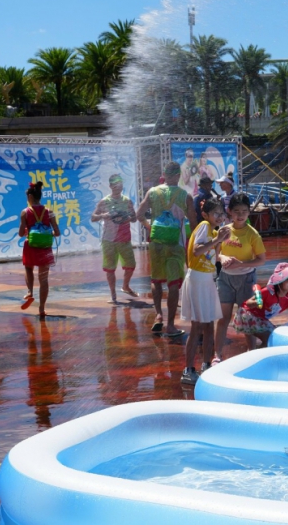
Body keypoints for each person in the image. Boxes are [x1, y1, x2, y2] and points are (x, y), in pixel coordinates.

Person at [135, 161, 198, 337]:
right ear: (177, 175)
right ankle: (170, 325)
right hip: (175, 244)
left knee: (156, 280)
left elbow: (138, 215)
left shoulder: (152, 192)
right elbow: (193, 222)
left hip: (156, 243)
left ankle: (158, 316)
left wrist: (150, 227)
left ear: (164, 175)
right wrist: (195, 244)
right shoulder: (185, 196)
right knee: (173, 284)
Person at [180, 198, 230, 385]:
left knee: (209, 325)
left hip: (207, 280)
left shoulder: (214, 231)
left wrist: (221, 243)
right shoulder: (203, 226)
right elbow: (197, 251)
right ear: (205, 215)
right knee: (197, 326)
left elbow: (213, 257)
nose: (220, 217)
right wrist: (217, 239)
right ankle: (188, 370)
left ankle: (206, 365)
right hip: (197, 280)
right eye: (216, 213)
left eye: (222, 213)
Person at [214, 192, 267, 363]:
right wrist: (222, 258)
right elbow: (216, 253)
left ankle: (251, 350)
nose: (240, 214)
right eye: (236, 211)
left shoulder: (252, 234)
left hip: (246, 279)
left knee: (247, 317)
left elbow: (261, 260)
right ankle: (217, 355)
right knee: (223, 318)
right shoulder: (224, 231)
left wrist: (241, 264)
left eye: (244, 211)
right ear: (229, 211)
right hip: (225, 279)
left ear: (249, 212)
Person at [232, 262, 288, 349]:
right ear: (279, 281)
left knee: (265, 340)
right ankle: (260, 355)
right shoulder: (268, 292)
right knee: (270, 339)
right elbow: (248, 303)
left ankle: (254, 353)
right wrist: (256, 303)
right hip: (247, 315)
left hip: (261, 318)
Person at [91, 174, 137, 303]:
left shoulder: (127, 201)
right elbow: (93, 217)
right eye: (116, 184)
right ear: (110, 186)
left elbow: (134, 218)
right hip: (109, 240)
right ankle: (113, 295)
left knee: (131, 265)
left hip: (124, 238)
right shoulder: (104, 202)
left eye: (120, 183)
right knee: (110, 268)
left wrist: (129, 218)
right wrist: (103, 215)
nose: (118, 186)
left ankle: (125, 285)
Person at [18, 181, 61, 318]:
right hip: (45, 248)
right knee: (43, 279)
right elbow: (57, 232)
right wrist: (48, 234)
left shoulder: (25, 212)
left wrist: (27, 230)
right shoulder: (50, 212)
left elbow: (20, 233)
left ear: (30, 197)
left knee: (28, 268)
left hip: (31, 246)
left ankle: (30, 291)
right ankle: (42, 309)